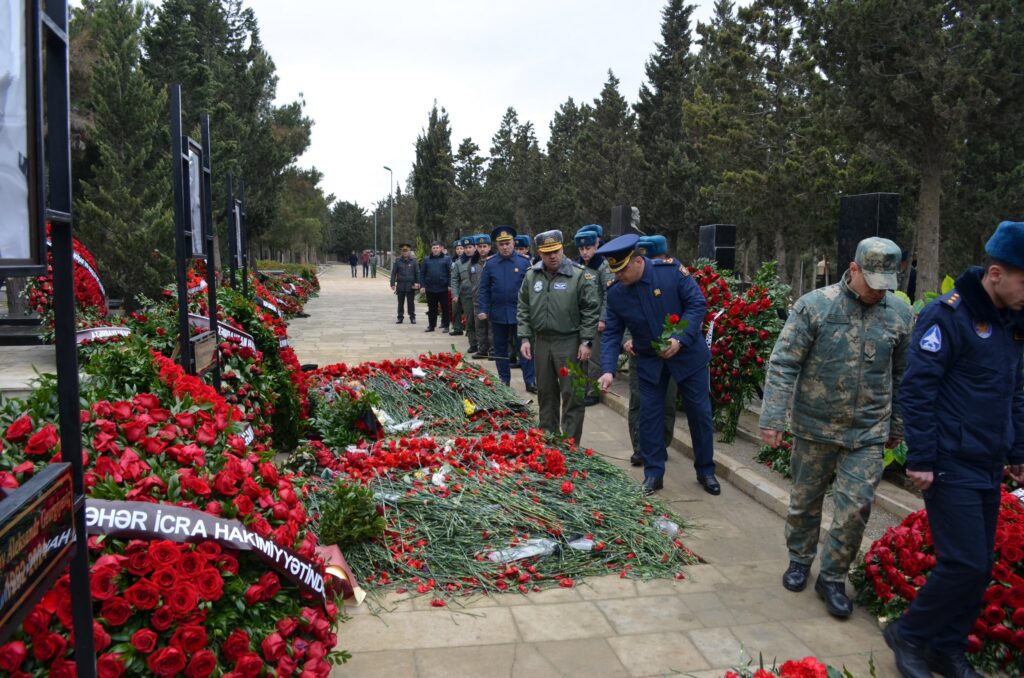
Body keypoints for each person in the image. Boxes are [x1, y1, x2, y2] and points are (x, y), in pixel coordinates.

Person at [884, 221, 1024, 678]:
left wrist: (1018, 449)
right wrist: (920, 457)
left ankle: (946, 648)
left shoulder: (1011, 323)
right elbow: (918, 389)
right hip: (949, 460)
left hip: (987, 460)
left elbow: (1015, 389)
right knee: (962, 562)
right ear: (997, 273)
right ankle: (908, 634)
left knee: (980, 566)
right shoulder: (948, 315)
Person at [759, 237, 913, 619]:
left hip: (867, 432)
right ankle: (799, 560)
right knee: (805, 502)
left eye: (887, 284)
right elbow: (783, 363)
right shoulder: (816, 306)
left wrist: (897, 425)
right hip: (815, 427)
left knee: (855, 509)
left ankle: (832, 577)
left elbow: (903, 375)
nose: (880, 292)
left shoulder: (899, 314)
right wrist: (774, 417)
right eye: (873, 281)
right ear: (854, 268)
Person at [596, 233, 718, 497]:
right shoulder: (617, 293)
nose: (618, 276)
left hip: (688, 357)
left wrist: (680, 338)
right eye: (614, 271)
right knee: (649, 417)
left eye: (623, 269)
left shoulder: (671, 273)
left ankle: (706, 470)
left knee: (699, 414)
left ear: (639, 261)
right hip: (650, 361)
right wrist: (607, 369)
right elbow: (612, 333)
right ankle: (653, 474)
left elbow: (697, 305)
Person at [518, 230, 600, 442]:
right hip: (542, 342)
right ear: (540, 253)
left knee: (572, 394)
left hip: (569, 342)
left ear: (563, 248)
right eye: (547, 253)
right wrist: (525, 338)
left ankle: (570, 444)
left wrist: (586, 341)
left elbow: (590, 309)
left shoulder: (579, 275)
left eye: (556, 251)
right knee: (546, 394)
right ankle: (548, 439)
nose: (552, 256)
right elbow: (523, 307)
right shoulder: (531, 275)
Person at [627, 234, 677, 466]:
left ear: (665, 257)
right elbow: (620, 313)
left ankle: (662, 444)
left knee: (666, 402)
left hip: (670, 353)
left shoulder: (675, 276)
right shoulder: (629, 280)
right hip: (641, 351)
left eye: (655, 259)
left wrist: (677, 340)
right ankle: (640, 447)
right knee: (639, 401)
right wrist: (626, 339)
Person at [479, 226, 535, 391]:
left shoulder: (524, 263)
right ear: (497, 245)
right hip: (497, 315)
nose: (505, 247)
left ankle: (530, 381)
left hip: (520, 315)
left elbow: (531, 290)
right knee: (500, 350)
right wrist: (483, 309)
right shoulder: (490, 264)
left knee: (525, 349)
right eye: (501, 244)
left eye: (508, 243)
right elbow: (484, 289)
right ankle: (504, 380)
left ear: (513, 243)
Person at [574, 225, 613, 407]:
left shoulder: (603, 266)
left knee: (594, 358)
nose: (584, 252)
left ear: (596, 246)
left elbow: (608, 294)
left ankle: (593, 392)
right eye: (581, 249)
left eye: (588, 248)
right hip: (582, 319)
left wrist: (603, 318)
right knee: (581, 356)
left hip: (596, 319)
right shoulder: (578, 265)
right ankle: (581, 389)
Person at [452, 237, 478, 353]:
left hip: (481, 295)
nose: (467, 250)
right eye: (465, 248)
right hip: (466, 295)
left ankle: (486, 345)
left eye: (470, 247)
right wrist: (455, 294)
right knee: (470, 320)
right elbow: (454, 279)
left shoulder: (481, 260)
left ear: (475, 247)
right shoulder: (459, 263)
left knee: (483, 321)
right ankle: (473, 344)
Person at [420, 240, 452, 333]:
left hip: (443, 288)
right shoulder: (426, 259)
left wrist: (449, 285)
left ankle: (446, 325)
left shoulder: (447, 259)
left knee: (445, 308)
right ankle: (431, 325)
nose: (435, 249)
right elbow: (422, 273)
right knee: (431, 308)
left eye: (437, 248)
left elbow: (450, 273)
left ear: (440, 248)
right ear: (431, 249)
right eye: (434, 248)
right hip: (430, 288)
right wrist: (422, 285)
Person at [471, 234, 493, 359]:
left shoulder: (494, 262)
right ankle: (482, 349)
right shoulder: (473, 263)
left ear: (489, 247)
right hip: (477, 299)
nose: (482, 249)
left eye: (485, 246)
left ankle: (493, 349)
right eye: (479, 246)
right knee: (479, 326)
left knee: (492, 326)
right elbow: (471, 280)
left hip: (491, 300)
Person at [389, 243, 420, 324]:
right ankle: (400, 317)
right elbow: (393, 273)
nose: (405, 252)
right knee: (400, 303)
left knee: (411, 303)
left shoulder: (414, 261)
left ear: (409, 251)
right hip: (401, 285)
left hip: (411, 285)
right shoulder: (398, 261)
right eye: (404, 251)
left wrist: (418, 283)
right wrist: (392, 283)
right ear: (401, 252)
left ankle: (412, 317)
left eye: (407, 251)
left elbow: (417, 273)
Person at [450, 240, 465, 336]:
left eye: (461, 248)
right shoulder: (453, 261)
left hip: (466, 288)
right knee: (455, 309)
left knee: (468, 311)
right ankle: (457, 328)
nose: (459, 250)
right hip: (456, 288)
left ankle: (469, 329)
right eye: (457, 249)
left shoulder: (469, 260)